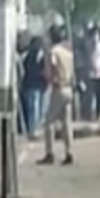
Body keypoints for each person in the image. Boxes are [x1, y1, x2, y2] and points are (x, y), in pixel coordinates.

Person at [39, 25, 75, 165]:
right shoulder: (68, 52)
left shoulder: (53, 52)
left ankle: (49, 153)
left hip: (58, 88)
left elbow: (52, 66)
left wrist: (48, 75)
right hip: (68, 88)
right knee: (66, 123)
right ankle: (69, 152)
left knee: (49, 122)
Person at [20, 35, 47, 139]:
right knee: (36, 109)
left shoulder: (25, 55)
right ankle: (33, 130)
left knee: (33, 109)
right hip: (36, 85)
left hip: (29, 85)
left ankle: (32, 129)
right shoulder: (41, 54)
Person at [85, 26, 100, 122]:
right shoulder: (88, 44)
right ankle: (90, 113)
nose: (95, 37)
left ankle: (98, 114)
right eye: (94, 34)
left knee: (99, 94)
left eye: (97, 34)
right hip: (90, 72)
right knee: (90, 94)